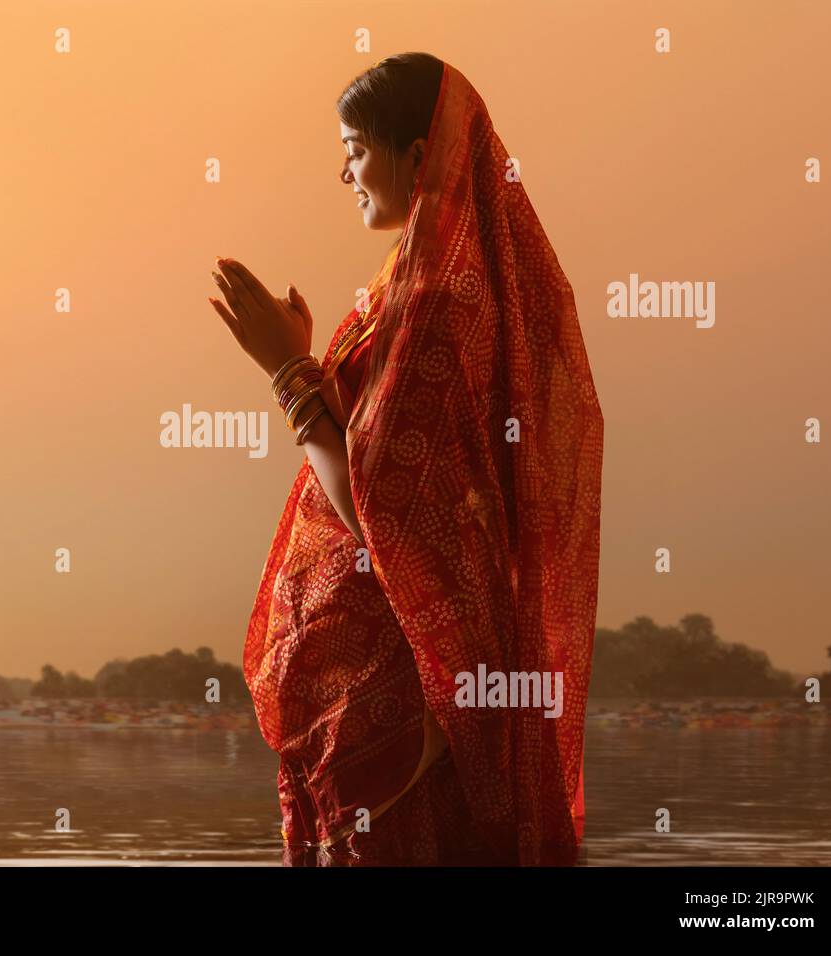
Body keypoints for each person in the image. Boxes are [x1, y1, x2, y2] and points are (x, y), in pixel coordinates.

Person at [208, 52, 604, 865]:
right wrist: (317, 367)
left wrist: (288, 373)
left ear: (418, 158)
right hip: (410, 685)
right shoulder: (421, 292)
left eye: (355, 147)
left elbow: (377, 512)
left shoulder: (431, 309)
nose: (343, 171)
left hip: (404, 693)